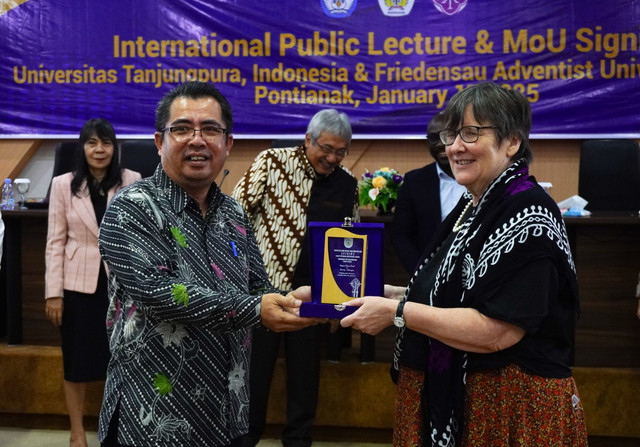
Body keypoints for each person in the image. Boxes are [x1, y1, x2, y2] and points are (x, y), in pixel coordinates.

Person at [336, 83, 588, 446]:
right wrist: (361, 294)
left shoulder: (527, 212)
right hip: (462, 398)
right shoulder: (474, 205)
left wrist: (397, 312)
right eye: (451, 134)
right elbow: (447, 294)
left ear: (512, 141)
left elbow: (498, 330)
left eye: (471, 133)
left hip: (506, 409)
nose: (454, 147)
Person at [96, 81, 321, 447]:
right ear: (159, 141)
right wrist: (257, 308)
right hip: (152, 418)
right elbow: (159, 293)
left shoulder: (233, 212)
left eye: (211, 130)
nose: (197, 140)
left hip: (226, 417)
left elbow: (257, 287)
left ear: (228, 143)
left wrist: (295, 301)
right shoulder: (131, 207)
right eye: (182, 128)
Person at [232, 109, 359, 447]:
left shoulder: (347, 183)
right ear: (308, 140)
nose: (332, 158)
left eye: (340, 151)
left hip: (314, 297)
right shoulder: (272, 162)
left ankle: (298, 440)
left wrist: (339, 302)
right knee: (254, 373)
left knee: (305, 376)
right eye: (326, 148)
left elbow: (350, 244)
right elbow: (234, 215)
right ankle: (246, 438)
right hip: (263, 291)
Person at [44, 118, 141, 447]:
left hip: (121, 287)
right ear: (82, 148)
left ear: (115, 148)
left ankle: (117, 429)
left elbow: (139, 238)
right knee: (76, 362)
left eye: (106, 143)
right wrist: (53, 294)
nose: (99, 150)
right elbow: (55, 243)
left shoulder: (132, 181)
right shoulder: (63, 184)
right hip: (77, 288)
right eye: (91, 143)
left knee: (120, 360)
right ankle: (76, 432)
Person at [392, 111, 466, 274]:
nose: (440, 144)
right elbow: (401, 236)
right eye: (433, 138)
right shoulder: (414, 181)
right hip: (426, 276)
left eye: (446, 136)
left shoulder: (479, 178)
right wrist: (421, 274)